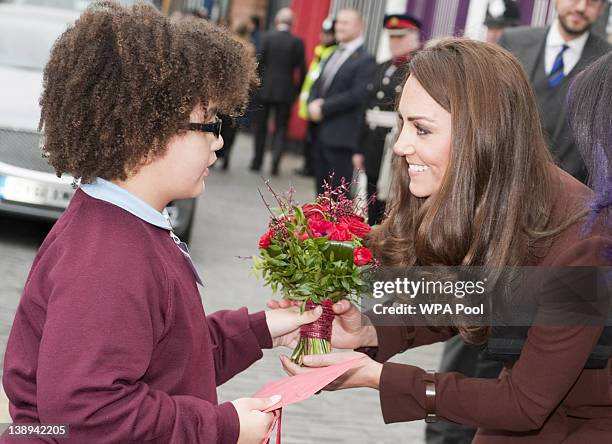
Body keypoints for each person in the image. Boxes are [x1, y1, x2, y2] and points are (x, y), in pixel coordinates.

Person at [1, 3, 324, 443]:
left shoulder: (125, 225)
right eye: (208, 123)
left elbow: (168, 354)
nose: (219, 140)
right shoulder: (109, 258)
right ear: (147, 130)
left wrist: (258, 330)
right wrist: (224, 426)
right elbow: (86, 414)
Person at [274, 38, 611, 443]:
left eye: (422, 129)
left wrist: (376, 378)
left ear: (481, 133)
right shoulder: (507, 192)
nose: (400, 146)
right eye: (402, 124)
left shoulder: (585, 243)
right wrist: (369, 329)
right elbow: (477, 295)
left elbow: (524, 403)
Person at [499, 0, 611, 184]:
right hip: (504, 180)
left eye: (591, 2)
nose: (581, 7)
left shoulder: (607, 63)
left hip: (570, 196)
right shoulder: (512, 42)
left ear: (601, 10)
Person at [353, 13, 421, 226]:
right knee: (372, 196)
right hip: (374, 143)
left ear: (413, 37)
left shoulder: (418, 68)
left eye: (399, 37)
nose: (394, 43)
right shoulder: (381, 67)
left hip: (397, 143)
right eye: (391, 37)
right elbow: (366, 109)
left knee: (394, 201)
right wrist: (359, 148)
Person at [308, 8, 376, 193]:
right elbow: (318, 82)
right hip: (321, 133)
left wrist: (323, 107)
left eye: (345, 23)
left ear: (360, 26)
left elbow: (356, 95)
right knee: (320, 194)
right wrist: (312, 102)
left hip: (341, 137)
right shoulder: (332, 53)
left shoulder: (366, 60)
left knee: (337, 196)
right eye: (338, 22)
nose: (339, 26)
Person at [250, 7, 306, 175]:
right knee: (281, 128)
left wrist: (257, 85)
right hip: (285, 92)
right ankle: (275, 164)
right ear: (292, 23)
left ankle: (257, 162)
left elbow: (258, 64)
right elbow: (303, 70)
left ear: (276, 21)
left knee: (260, 127)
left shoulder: (267, 37)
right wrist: (296, 91)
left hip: (265, 90)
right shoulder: (297, 42)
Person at [295, 17, 337, 177]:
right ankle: (308, 166)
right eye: (323, 33)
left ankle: (311, 167)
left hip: (320, 106)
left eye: (328, 34)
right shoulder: (320, 51)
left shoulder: (330, 53)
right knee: (310, 138)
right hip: (311, 103)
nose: (324, 36)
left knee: (314, 139)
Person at [218, 19, 257, 171]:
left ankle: (218, 152)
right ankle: (227, 155)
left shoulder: (228, 43)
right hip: (240, 91)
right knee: (233, 125)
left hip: (225, 89)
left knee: (221, 121)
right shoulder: (250, 47)